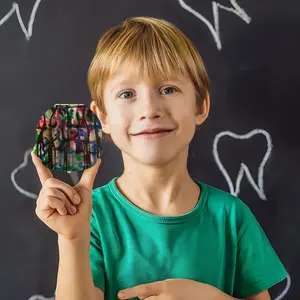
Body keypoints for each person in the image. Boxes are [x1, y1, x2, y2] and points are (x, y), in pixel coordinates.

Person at [31, 16, 287, 300]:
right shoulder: (91, 217)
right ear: (102, 116)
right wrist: (72, 239)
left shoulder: (231, 217)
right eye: (127, 94)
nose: (149, 109)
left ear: (201, 106)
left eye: (168, 90)